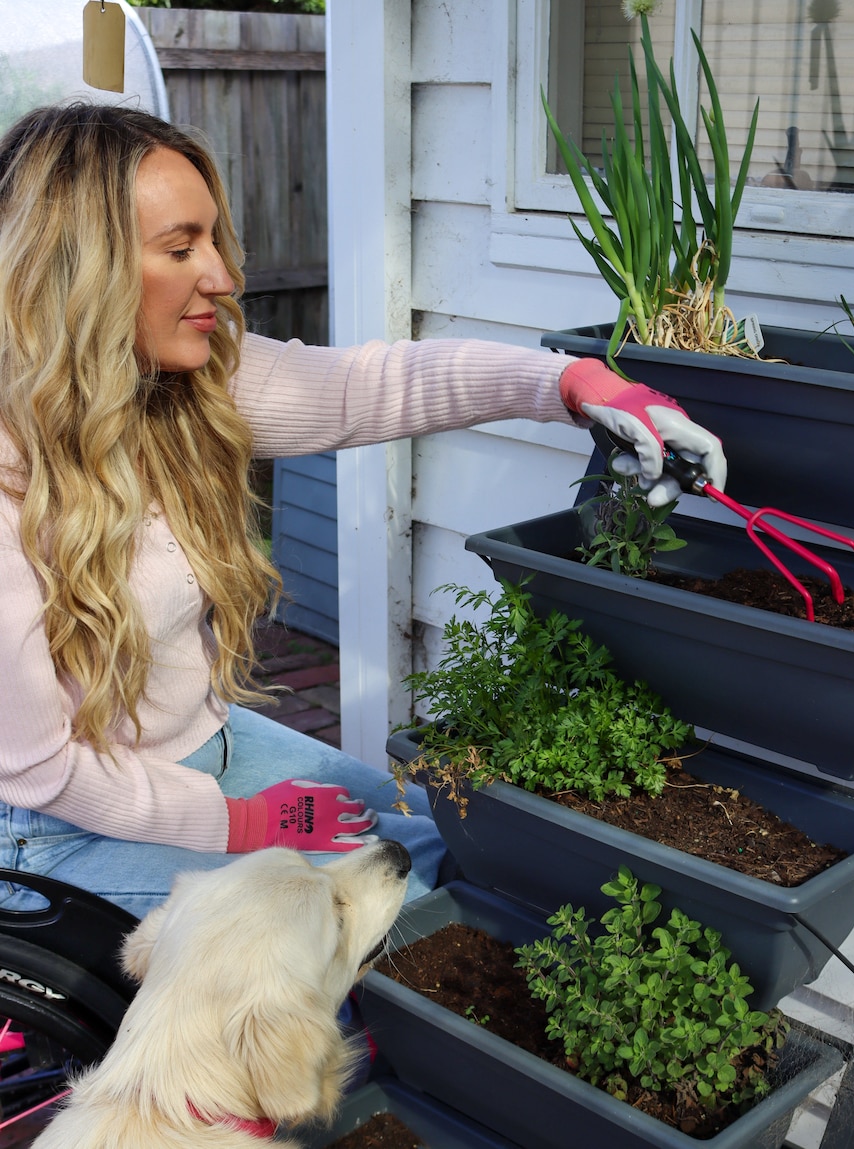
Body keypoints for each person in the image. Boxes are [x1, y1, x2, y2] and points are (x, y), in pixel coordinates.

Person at [0, 103, 726, 918]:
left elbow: (378, 383)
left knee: (450, 831)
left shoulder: (184, 390)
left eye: (212, 239)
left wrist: (576, 387)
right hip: (57, 827)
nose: (223, 276)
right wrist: (236, 824)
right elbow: (37, 768)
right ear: (79, 271)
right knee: (400, 917)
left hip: (203, 750)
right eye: (181, 247)